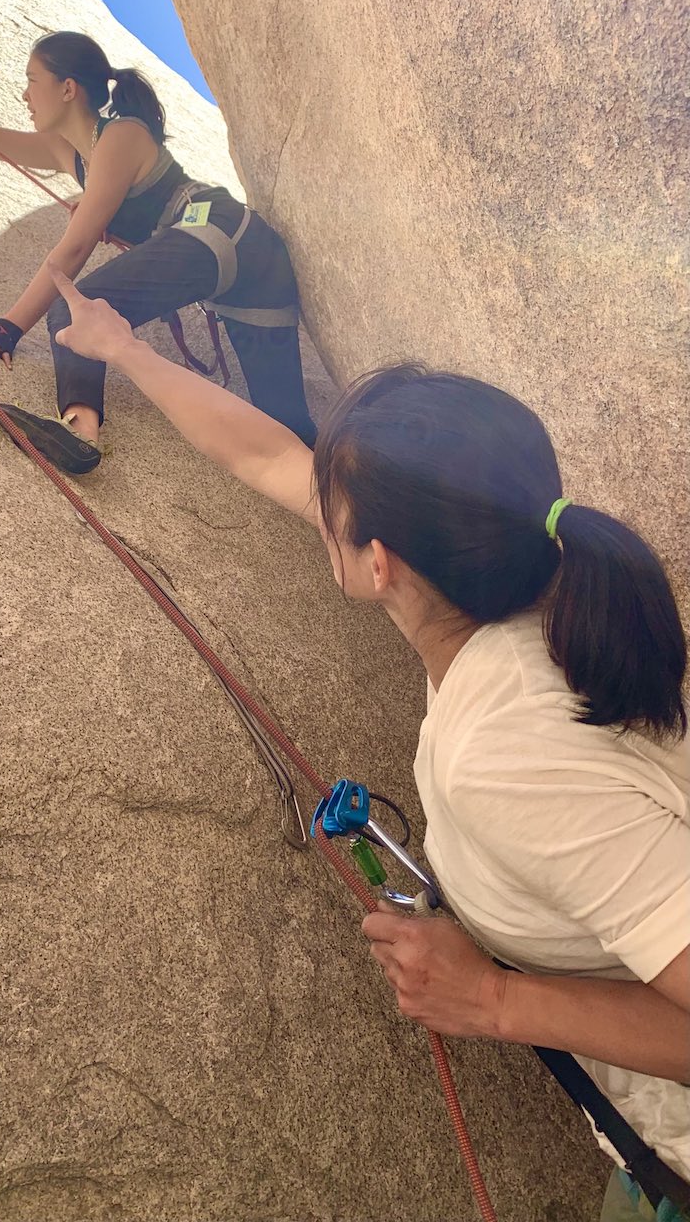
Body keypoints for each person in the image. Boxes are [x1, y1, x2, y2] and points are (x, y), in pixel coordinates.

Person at [44, 264, 690, 1220]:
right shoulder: (551, 593)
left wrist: (496, 1003)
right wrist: (124, 349)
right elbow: (266, 457)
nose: (313, 506)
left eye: (333, 513)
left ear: (377, 562)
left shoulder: (506, 757)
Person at [0, 34, 317, 474]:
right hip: (248, 279)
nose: (24, 93)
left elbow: (74, 248)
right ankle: (361, 513)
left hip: (220, 230)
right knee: (288, 426)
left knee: (78, 307)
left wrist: (11, 325)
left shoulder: (122, 134)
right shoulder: (66, 151)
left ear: (68, 88)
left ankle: (80, 434)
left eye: (33, 79)